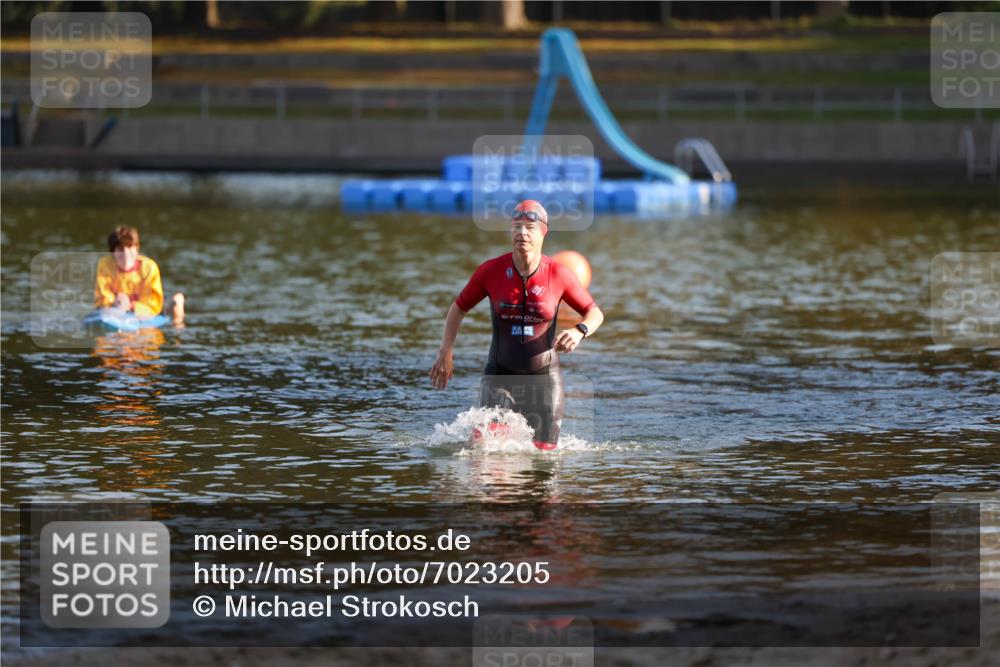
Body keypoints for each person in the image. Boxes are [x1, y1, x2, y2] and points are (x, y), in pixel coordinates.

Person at [430, 200, 604, 450]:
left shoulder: (558, 274)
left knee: (543, 467)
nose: (522, 232)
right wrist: (445, 350)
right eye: (517, 226)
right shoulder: (491, 271)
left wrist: (580, 330)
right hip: (500, 375)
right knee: (484, 454)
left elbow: (594, 312)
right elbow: (458, 308)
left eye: (530, 227)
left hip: (545, 381)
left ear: (543, 232)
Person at [94, 225, 185, 326]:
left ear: (136, 249)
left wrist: (130, 306)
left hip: (151, 307)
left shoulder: (149, 267)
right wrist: (114, 302)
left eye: (129, 247)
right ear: (113, 252)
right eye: (120, 249)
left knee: (178, 300)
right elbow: (102, 295)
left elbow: (152, 305)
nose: (126, 254)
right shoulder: (104, 265)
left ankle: (178, 327)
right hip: (118, 307)